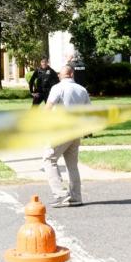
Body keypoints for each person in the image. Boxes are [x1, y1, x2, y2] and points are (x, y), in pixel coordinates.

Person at [43, 65, 90, 208]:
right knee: (72, 165)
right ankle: (76, 196)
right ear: (72, 74)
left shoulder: (58, 88)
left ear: (61, 75)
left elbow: (48, 107)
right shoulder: (82, 89)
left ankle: (60, 194)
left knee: (48, 159)